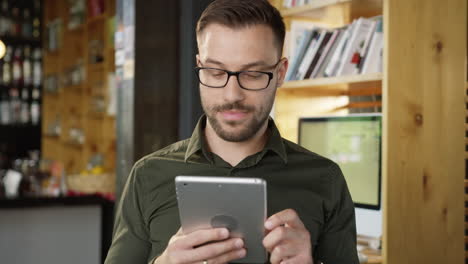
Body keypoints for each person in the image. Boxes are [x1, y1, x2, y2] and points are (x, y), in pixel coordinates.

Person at [104, 0, 359, 263]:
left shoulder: (325, 180)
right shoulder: (147, 175)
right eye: (215, 72)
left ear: (280, 73)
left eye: (253, 73)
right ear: (200, 66)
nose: (232, 94)